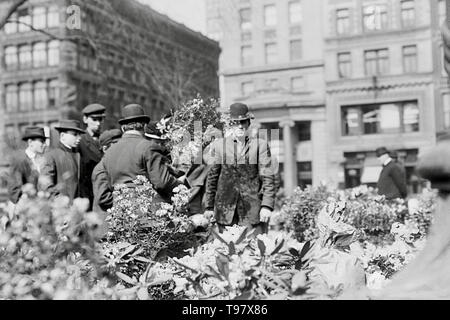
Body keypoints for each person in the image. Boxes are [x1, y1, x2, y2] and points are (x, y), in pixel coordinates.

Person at [204, 103, 276, 234]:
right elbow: (212, 178)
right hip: (225, 211)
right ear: (230, 124)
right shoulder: (219, 146)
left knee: (253, 251)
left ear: (248, 123)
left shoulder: (260, 145)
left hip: (252, 212)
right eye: (236, 122)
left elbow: (268, 178)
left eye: (243, 122)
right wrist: (209, 206)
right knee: (226, 251)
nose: (240, 126)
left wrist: (266, 206)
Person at [97, 104, 184, 205]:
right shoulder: (149, 147)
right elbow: (161, 182)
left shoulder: (110, 152)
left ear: (123, 128)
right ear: (145, 126)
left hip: (119, 212)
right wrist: (180, 184)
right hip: (146, 211)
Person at [40, 120, 85, 201]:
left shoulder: (78, 155)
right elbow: (46, 185)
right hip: (61, 209)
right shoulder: (51, 156)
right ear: (63, 135)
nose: (79, 138)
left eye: (79, 135)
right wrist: (60, 202)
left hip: (78, 208)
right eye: (75, 134)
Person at [7, 127, 47, 204]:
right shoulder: (20, 160)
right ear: (30, 142)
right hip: (26, 207)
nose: (44, 145)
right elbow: (13, 189)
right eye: (42, 141)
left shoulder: (41, 160)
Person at [78, 103, 106, 209]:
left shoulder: (105, 139)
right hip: (87, 191)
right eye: (94, 120)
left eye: (100, 119)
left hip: (104, 191)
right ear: (85, 119)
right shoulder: (80, 141)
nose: (98, 123)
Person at [91, 129, 122, 213]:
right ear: (105, 149)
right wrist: (126, 199)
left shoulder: (114, 165)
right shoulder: (101, 169)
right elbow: (103, 198)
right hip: (105, 221)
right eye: (116, 145)